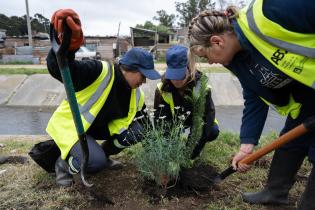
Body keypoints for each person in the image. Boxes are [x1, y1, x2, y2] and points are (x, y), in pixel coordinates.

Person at [187, 0, 315, 209]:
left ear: (217, 41)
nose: (209, 62)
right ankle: (275, 192)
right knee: (290, 140)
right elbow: (255, 96)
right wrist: (247, 145)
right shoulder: (235, 60)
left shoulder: (273, 10)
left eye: (205, 56)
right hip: (306, 96)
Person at [46, 9, 161, 187]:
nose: (144, 81)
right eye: (143, 75)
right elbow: (61, 70)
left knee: (137, 131)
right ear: (129, 68)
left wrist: (159, 156)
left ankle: (102, 154)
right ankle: (62, 165)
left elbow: (145, 125)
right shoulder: (100, 71)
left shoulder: (135, 93)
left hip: (94, 129)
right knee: (95, 164)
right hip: (73, 128)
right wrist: (67, 49)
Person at [154, 45, 219, 159]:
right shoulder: (162, 88)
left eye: (180, 75)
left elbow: (203, 123)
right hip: (176, 120)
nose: (176, 80)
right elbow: (161, 122)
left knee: (212, 131)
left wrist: (189, 154)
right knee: (167, 138)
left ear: (190, 68)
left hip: (196, 120)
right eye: (172, 75)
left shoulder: (202, 88)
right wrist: (168, 149)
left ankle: (195, 149)